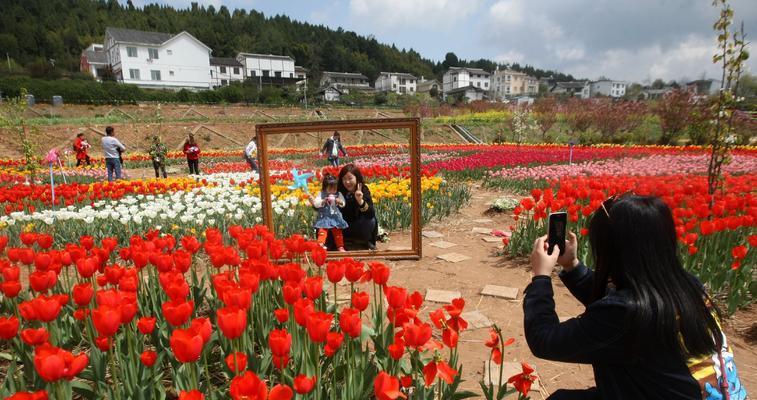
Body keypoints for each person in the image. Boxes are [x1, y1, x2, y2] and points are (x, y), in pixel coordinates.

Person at [524, 195, 747, 400]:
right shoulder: (688, 287)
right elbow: (622, 305)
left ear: (612, 251)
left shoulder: (626, 314)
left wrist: (541, 277)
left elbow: (544, 340)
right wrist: (572, 266)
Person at [331, 164, 378, 250]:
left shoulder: (363, 190)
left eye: (350, 178)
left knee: (371, 220)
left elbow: (371, 214)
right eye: (344, 179)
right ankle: (341, 243)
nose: (347, 182)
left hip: (359, 225)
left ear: (357, 178)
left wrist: (360, 201)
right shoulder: (339, 192)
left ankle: (365, 241)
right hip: (344, 226)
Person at [309, 174, 348, 252]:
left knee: (338, 232)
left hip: (335, 217)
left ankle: (340, 246)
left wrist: (339, 201)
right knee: (322, 231)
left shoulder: (338, 194)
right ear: (325, 188)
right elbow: (316, 204)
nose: (333, 191)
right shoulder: (321, 194)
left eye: (335, 189)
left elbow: (343, 204)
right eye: (330, 189)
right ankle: (320, 244)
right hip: (325, 217)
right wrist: (323, 201)